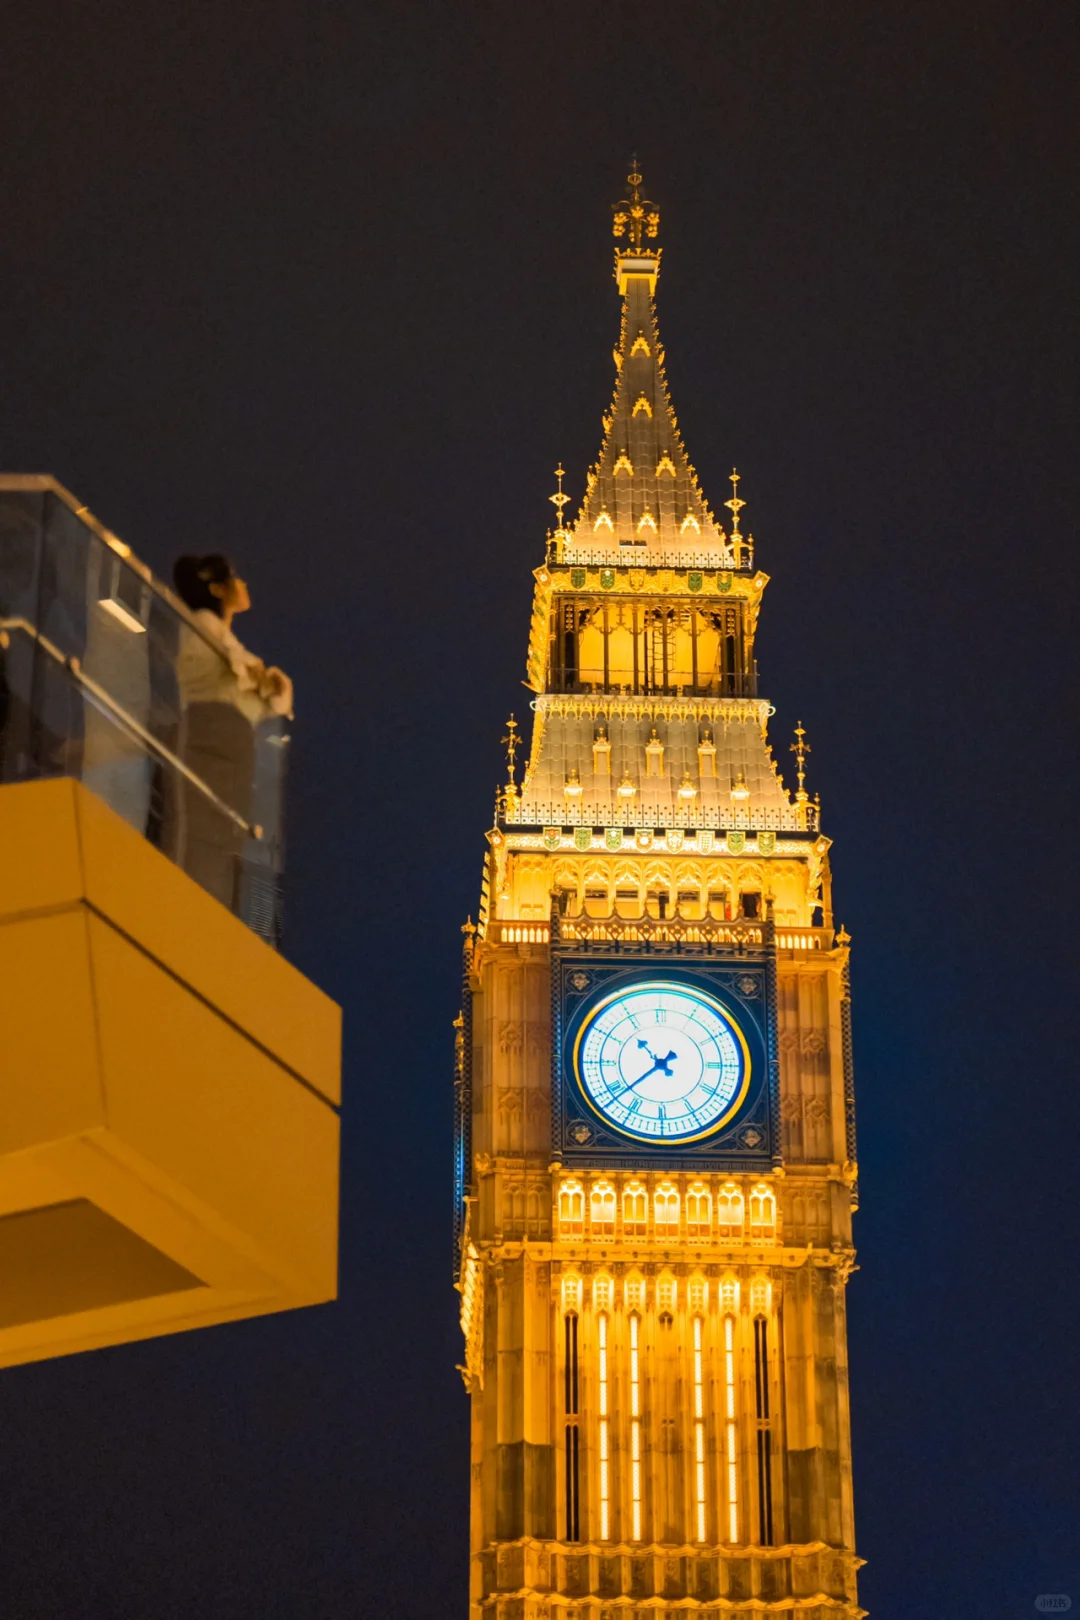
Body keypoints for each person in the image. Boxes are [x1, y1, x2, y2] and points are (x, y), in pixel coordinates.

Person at [167, 554, 293, 910]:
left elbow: (270, 694)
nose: (244, 583)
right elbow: (250, 680)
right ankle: (200, 908)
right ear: (217, 588)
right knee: (211, 826)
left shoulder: (216, 634)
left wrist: (264, 683)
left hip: (230, 739)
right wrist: (262, 680)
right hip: (213, 732)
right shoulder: (202, 627)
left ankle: (207, 906)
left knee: (223, 829)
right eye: (235, 577)